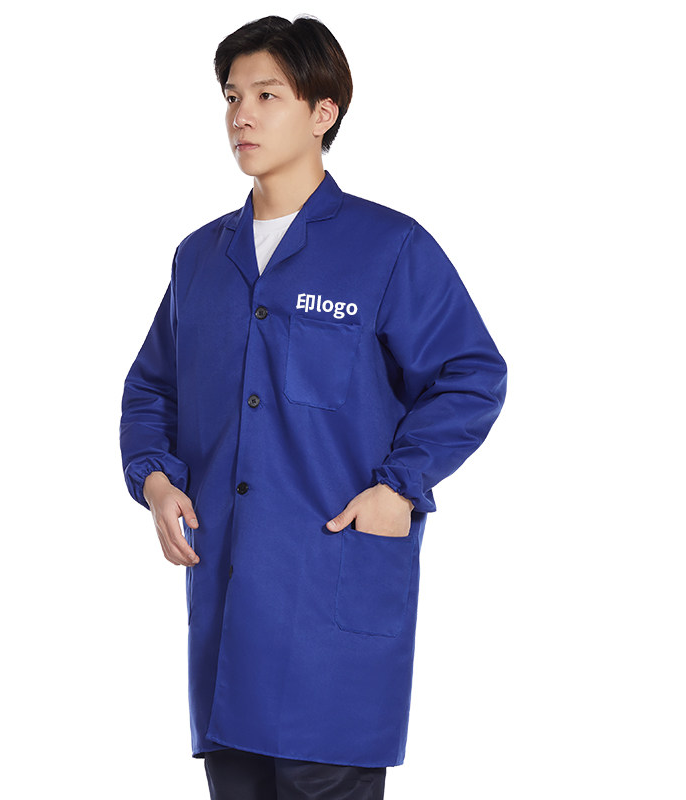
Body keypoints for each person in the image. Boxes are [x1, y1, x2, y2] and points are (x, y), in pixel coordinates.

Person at [119, 14, 507, 800]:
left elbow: (471, 373)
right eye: (232, 97)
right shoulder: (200, 258)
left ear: (323, 111)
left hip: (333, 602)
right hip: (229, 615)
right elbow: (152, 389)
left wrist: (400, 487)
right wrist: (156, 482)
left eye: (267, 95)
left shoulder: (387, 247)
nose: (242, 115)